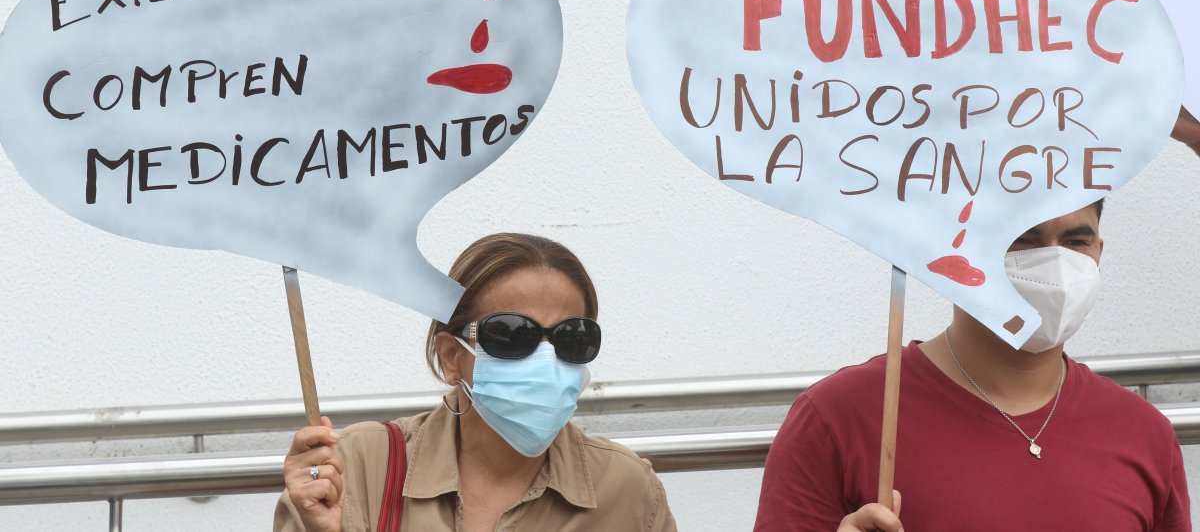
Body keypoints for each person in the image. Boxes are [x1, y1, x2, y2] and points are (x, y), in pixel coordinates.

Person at [753, 202, 1191, 531]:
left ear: (1098, 251)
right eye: (1023, 239)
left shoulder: (1144, 433)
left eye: (1076, 243)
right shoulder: (838, 418)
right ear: (958, 247)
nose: (1054, 265)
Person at [274, 233, 677, 532]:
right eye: (512, 334)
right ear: (452, 356)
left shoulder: (627, 489)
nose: (546, 359)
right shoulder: (358, 467)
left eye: (572, 336)